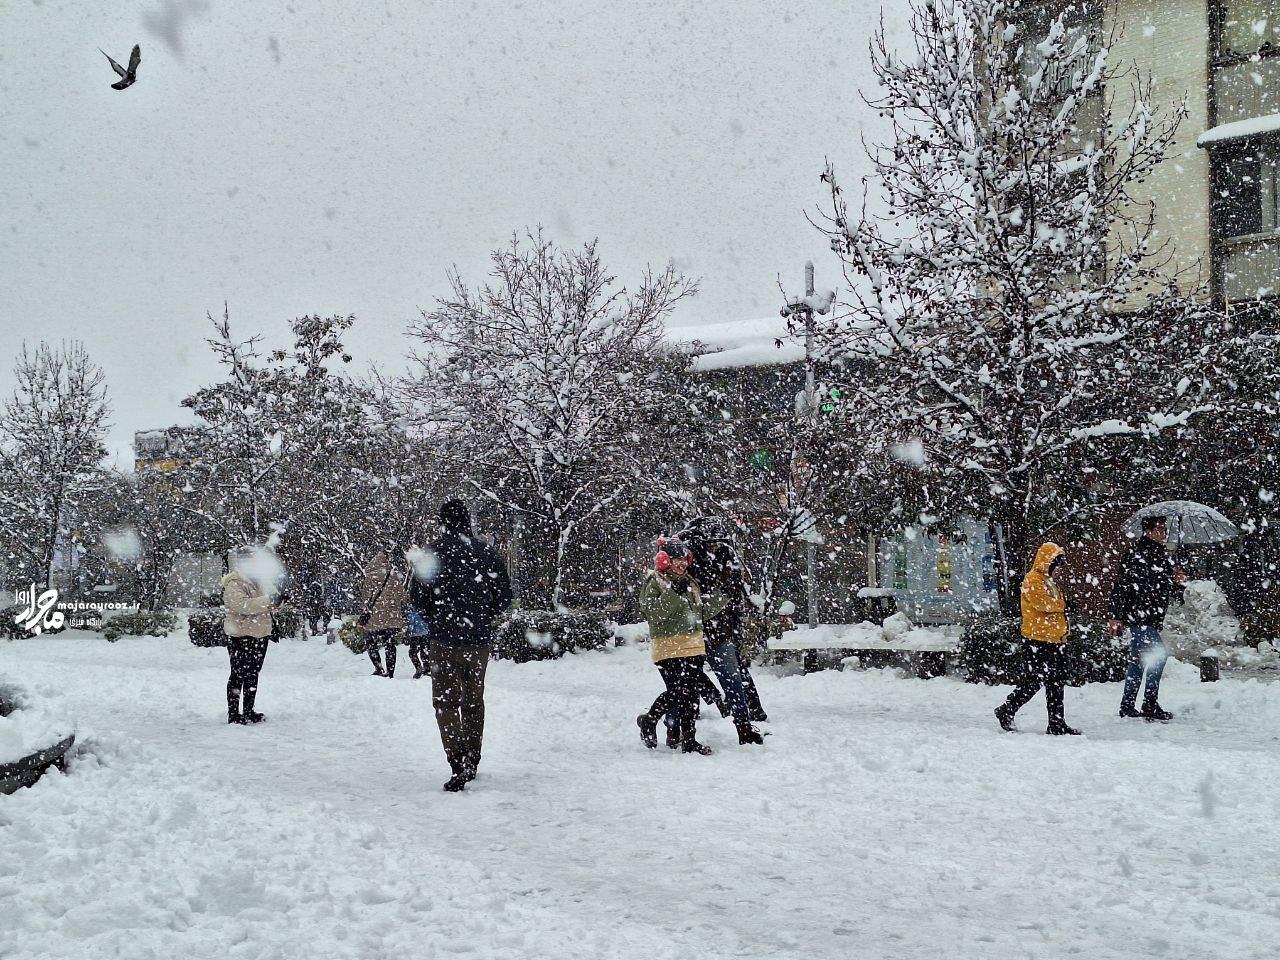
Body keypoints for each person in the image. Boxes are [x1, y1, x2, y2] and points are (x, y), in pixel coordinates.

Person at [408, 500, 513, 792]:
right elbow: (504, 596)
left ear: (442, 522)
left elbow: (417, 597)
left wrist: (436, 618)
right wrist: (483, 615)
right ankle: (472, 758)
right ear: (467, 521)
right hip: (477, 641)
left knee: (445, 702)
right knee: (473, 701)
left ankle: (456, 759)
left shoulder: (431, 554)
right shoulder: (486, 553)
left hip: (443, 640)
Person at [636, 537, 722, 755]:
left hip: (693, 646)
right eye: (677, 559)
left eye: (684, 559)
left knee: (690, 694)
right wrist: (673, 592)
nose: (682, 564)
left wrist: (723, 597)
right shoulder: (655, 581)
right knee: (677, 691)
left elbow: (698, 613)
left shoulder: (689, 582)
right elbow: (655, 614)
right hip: (668, 648)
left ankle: (689, 740)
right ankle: (649, 721)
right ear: (664, 560)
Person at [685, 534, 765, 745]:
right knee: (688, 681)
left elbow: (730, 596)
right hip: (701, 632)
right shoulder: (692, 564)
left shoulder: (721, 560)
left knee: (730, 679)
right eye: (711, 543)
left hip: (715, 632)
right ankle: (678, 727)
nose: (715, 546)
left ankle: (743, 725)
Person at [995, 542, 1080, 735]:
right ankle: (1007, 709)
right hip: (1037, 640)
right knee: (1035, 680)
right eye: (1057, 564)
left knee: (1055, 683)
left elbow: (1052, 606)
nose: (1060, 569)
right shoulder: (1033, 579)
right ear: (1048, 562)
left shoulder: (1049, 581)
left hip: (1054, 640)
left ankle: (1056, 723)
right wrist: (1064, 605)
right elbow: (1041, 604)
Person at [1109, 515, 1186, 721]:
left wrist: (1177, 583)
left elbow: (1166, 590)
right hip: (1139, 615)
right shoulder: (1136, 553)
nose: (1163, 533)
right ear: (1148, 531)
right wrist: (1116, 615)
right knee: (1159, 656)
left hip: (1151, 616)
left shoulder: (1163, 555)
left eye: (1164, 529)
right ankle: (1149, 703)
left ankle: (1127, 704)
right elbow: (1121, 585)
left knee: (1138, 662)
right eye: (1159, 529)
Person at [220, 548, 284, 725]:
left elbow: (272, 601)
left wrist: (279, 600)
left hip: (259, 634)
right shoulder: (234, 582)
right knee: (238, 674)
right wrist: (269, 600)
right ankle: (234, 714)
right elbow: (243, 606)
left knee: (253, 674)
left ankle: (249, 711)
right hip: (240, 635)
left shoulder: (261, 580)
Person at [357, 549, 410, 678]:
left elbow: (365, 599)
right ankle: (390, 672)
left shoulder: (370, 578)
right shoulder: (394, 577)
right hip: (392, 618)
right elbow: (403, 597)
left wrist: (365, 612)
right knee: (389, 644)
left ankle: (378, 667)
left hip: (375, 618)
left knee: (370, 642)